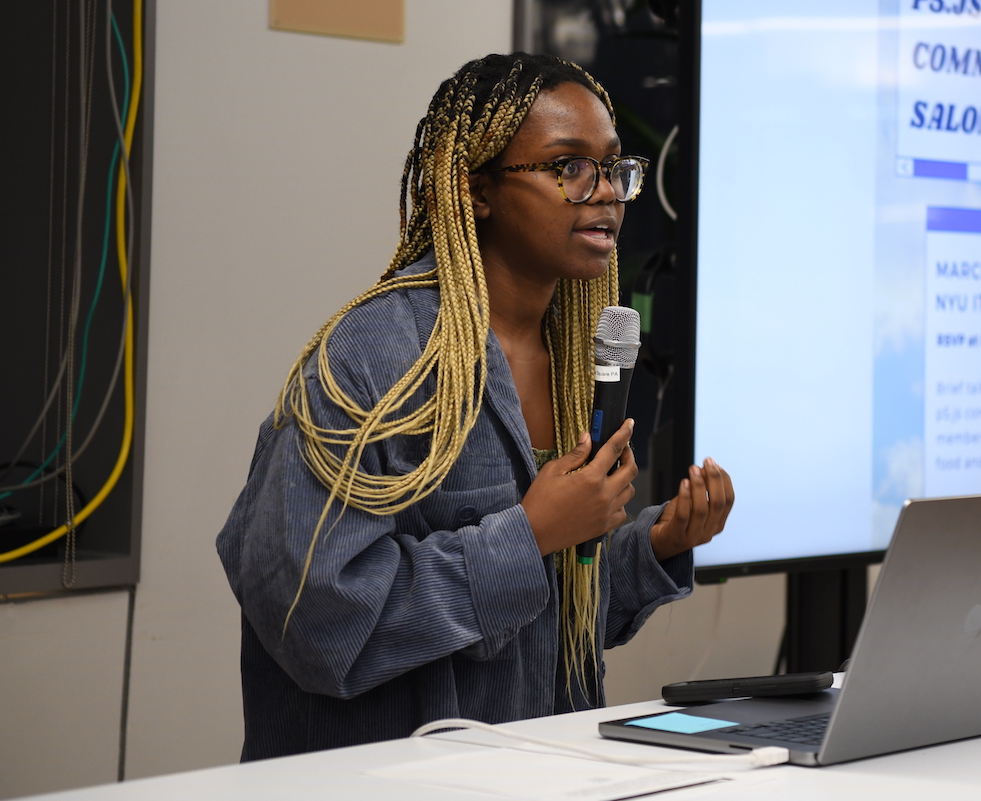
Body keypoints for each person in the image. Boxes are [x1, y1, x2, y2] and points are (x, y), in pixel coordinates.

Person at [217, 53, 734, 759]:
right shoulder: (372, 359)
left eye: (614, 167)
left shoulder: (581, 362)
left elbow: (549, 618)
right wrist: (531, 535)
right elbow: (315, 618)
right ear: (477, 189)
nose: (606, 192)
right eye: (569, 166)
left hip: (544, 771)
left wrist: (657, 545)